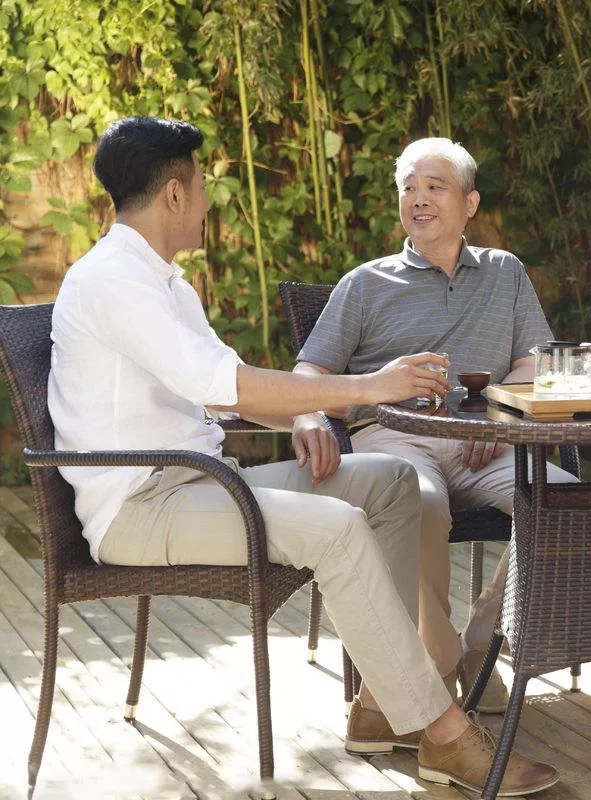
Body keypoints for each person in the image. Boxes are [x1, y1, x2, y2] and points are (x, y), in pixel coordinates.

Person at [50, 116, 558, 796]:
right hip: (144, 507)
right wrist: (370, 387)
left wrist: (307, 412)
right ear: (173, 194)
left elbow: (226, 396)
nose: (207, 198)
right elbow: (226, 385)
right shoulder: (115, 280)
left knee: (391, 483)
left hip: (201, 484)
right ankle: (444, 735)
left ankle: (383, 704)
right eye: (200, 184)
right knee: (339, 530)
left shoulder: (162, 281)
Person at [294, 137, 576, 719]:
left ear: (470, 203)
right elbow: (310, 370)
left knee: (566, 504)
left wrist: (497, 419)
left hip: (487, 442)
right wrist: (306, 412)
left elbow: (536, 363)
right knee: (418, 505)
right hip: (395, 440)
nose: (418, 200)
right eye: (408, 188)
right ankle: (439, 660)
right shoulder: (366, 282)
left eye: (434, 187)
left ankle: (481, 644)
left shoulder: (506, 272)